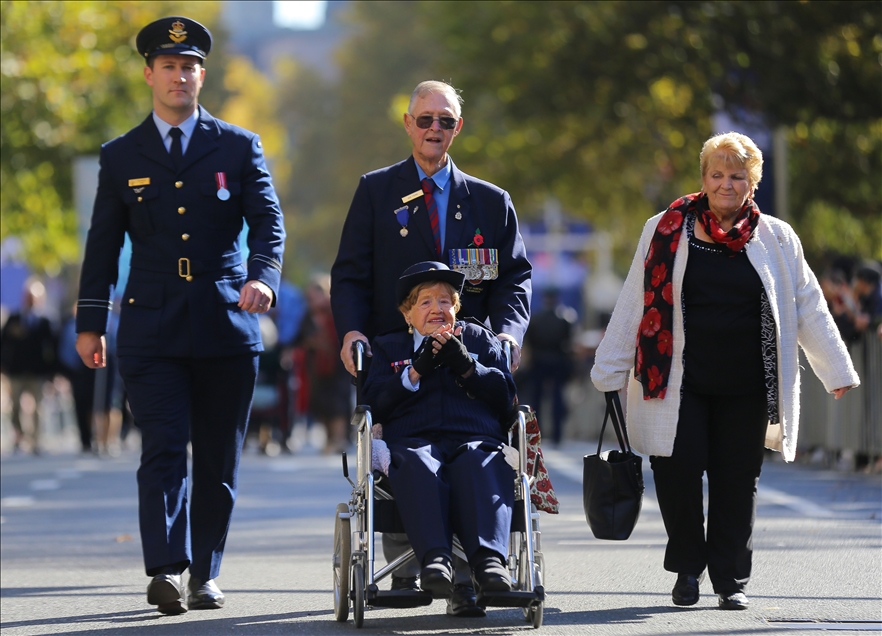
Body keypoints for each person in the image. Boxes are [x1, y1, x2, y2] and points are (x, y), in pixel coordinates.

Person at [591, 132, 859, 610]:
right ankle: (688, 570)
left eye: (737, 176)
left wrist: (835, 369)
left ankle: (731, 579)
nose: (726, 184)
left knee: (738, 481)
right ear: (704, 179)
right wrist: (608, 369)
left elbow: (809, 306)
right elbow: (635, 298)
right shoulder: (665, 228)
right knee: (676, 473)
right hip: (677, 381)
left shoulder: (777, 237)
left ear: (752, 182)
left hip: (748, 384)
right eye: (717, 174)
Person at [74, 16, 285, 615]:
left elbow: (269, 223)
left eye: (189, 66)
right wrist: (91, 323)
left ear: (201, 75)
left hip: (225, 319)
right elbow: (102, 245)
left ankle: (206, 573)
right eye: (168, 66)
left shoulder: (239, 146)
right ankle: (167, 568)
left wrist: (262, 278)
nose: (179, 76)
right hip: (152, 325)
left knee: (218, 459)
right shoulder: (120, 156)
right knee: (163, 449)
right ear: (149, 74)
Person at [330, 79, 531, 617]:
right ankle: (411, 565)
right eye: (425, 119)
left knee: (474, 452)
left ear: (457, 128)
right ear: (408, 123)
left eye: (445, 120)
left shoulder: (490, 202)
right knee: (408, 451)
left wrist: (507, 335)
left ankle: (472, 576)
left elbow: (514, 278)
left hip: (472, 354)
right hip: (398, 350)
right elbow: (349, 275)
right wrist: (352, 333)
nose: (434, 129)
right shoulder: (376, 191)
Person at [363, 262, 516, 603]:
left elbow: (506, 398)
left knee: (478, 459)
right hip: (413, 438)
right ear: (408, 314)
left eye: (445, 301)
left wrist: (468, 366)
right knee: (418, 461)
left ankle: (490, 562)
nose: (437, 308)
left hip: (473, 436)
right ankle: (435, 561)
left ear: (456, 308)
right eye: (426, 301)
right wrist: (415, 372)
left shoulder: (478, 338)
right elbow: (373, 404)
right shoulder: (389, 347)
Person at [0, 277, 57, 455]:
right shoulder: (14, 318)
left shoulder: (46, 321)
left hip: (37, 371)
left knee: (38, 407)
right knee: (15, 406)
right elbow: (3, 342)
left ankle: (36, 440)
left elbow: (52, 347)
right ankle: (20, 436)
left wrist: (52, 372)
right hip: (16, 370)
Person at [296, 275, 351, 453]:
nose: (311, 301)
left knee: (338, 403)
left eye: (313, 297)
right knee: (321, 403)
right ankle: (329, 439)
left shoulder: (336, 310)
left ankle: (339, 440)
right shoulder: (309, 315)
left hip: (338, 363)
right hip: (317, 366)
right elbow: (300, 337)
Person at [525, 288, 577, 445]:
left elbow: (530, 342)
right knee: (557, 398)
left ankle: (536, 433)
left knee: (537, 399)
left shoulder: (536, 318)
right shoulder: (565, 317)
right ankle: (557, 435)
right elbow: (570, 343)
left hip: (539, 360)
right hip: (558, 360)